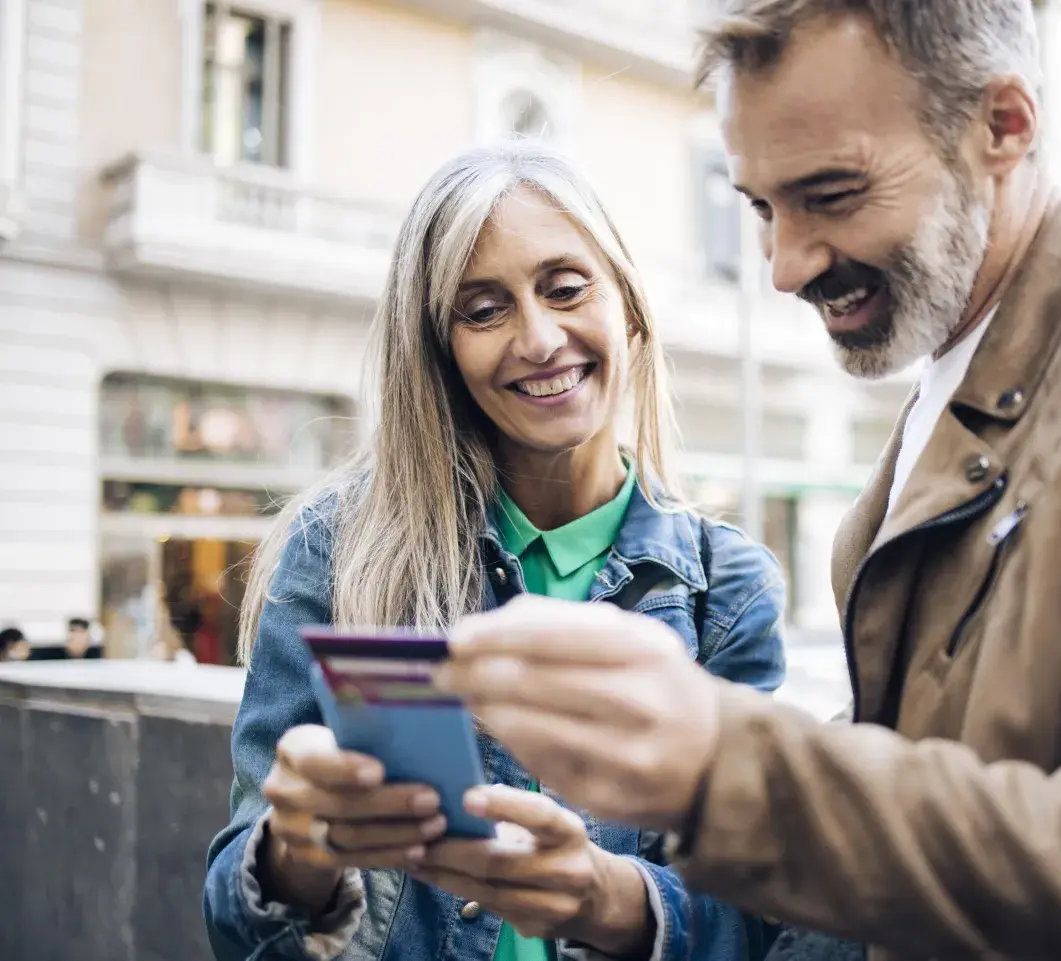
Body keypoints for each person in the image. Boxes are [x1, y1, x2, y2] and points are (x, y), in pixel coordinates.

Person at [431, 4, 1061, 961]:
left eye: (831, 194)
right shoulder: (958, 373)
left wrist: (729, 770)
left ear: (1004, 125)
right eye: (760, 207)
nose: (786, 266)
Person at [203, 141, 787, 961]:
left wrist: (604, 896)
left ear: (629, 304)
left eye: (566, 287)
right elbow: (237, 915)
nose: (541, 338)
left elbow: (766, 920)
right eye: (483, 309)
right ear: (439, 351)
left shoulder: (728, 590)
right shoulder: (336, 550)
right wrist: (299, 846)